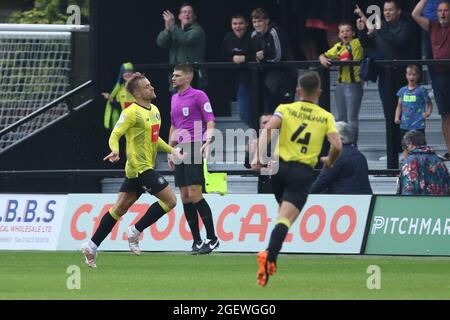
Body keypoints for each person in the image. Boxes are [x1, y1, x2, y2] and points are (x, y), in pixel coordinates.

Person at [81, 73, 184, 268]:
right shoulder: (131, 112)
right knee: (170, 200)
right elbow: (115, 134)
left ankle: (91, 246)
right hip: (140, 169)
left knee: (118, 209)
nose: (152, 88)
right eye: (147, 86)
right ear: (137, 93)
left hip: (140, 170)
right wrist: (115, 150)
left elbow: (155, 139)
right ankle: (135, 231)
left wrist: (172, 150)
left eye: (150, 84)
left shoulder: (154, 110)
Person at [255, 71, 342, 286]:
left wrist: (258, 156)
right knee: (285, 219)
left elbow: (268, 129)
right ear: (319, 92)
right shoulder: (325, 116)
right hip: (301, 173)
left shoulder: (285, 109)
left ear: (297, 91)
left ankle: (270, 252)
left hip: (279, 169)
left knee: (282, 215)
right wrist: (329, 160)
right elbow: (338, 145)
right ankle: (269, 256)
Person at [167, 64, 219, 255]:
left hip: (195, 144)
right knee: (185, 196)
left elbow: (210, 120)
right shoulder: (173, 99)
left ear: (188, 78)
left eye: (177, 75)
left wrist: (208, 141)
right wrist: (169, 149)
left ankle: (212, 238)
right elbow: (174, 125)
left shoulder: (199, 95)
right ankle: (196, 241)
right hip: (180, 148)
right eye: (173, 75)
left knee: (194, 192)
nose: (173, 78)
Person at [355, 1, 416, 157]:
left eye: (390, 10)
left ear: (398, 11)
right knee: (389, 115)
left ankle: (407, 150)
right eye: (385, 10)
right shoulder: (381, 27)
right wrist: (362, 31)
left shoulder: (406, 27)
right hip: (385, 77)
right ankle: (392, 152)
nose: (387, 13)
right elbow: (367, 44)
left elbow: (398, 43)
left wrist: (378, 30)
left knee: (405, 115)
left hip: (402, 78)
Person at [412, 0, 450, 161]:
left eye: (446, 11)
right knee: (446, 115)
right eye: (440, 11)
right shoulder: (432, 26)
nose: (442, 13)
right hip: (440, 75)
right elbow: (415, 14)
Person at [319, 22, 364, 143]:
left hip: (353, 84)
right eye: (342, 31)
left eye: (348, 31)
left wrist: (361, 29)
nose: (345, 33)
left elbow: (364, 39)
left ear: (353, 33)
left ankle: (353, 144)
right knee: (341, 117)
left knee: (352, 118)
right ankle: (342, 144)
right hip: (340, 85)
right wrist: (322, 58)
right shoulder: (338, 46)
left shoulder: (356, 43)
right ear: (339, 34)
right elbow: (324, 55)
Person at [250, 8, 297, 114]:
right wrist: (257, 58)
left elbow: (278, 57)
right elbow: (254, 55)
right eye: (254, 22)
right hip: (269, 78)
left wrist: (263, 59)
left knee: (286, 111)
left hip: (286, 76)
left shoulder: (274, 31)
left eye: (260, 21)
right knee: (271, 111)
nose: (257, 24)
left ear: (267, 21)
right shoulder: (253, 35)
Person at [310, 121, 372, 194]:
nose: (328, 140)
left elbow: (322, 180)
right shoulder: (360, 155)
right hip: (365, 199)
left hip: (343, 200)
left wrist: (304, 195)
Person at [156, 3, 207, 91]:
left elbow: (186, 39)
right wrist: (167, 29)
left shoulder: (197, 30)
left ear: (194, 16)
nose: (187, 14)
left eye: (190, 12)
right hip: (176, 80)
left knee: (193, 104)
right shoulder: (174, 30)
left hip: (193, 80)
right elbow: (161, 42)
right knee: (176, 104)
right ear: (179, 16)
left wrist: (172, 26)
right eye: (184, 12)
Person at [221, 13, 255, 128]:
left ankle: (260, 134)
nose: (237, 26)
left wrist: (245, 58)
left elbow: (261, 55)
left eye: (240, 23)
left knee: (247, 112)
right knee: (244, 113)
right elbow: (222, 57)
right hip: (234, 81)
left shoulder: (253, 36)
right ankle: (259, 135)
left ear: (247, 24)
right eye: (234, 24)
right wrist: (232, 59)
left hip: (254, 79)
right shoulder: (228, 38)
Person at [394, 65, 433, 160]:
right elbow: (399, 105)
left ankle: (421, 163)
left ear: (418, 76)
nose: (412, 77)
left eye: (414, 75)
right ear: (406, 76)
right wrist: (396, 117)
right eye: (409, 74)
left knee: (419, 146)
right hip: (405, 124)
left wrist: (427, 113)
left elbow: (429, 104)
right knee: (405, 146)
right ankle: (406, 166)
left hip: (418, 124)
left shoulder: (421, 90)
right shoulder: (402, 91)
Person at [397, 130, 450, 195]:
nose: (405, 150)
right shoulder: (438, 160)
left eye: (405, 146)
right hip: (440, 203)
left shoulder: (410, 161)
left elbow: (409, 189)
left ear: (410, 144)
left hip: (420, 203)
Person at [244, 113, 273, 194]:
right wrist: (249, 152)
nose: (267, 125)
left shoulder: (284, 143)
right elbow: (247, 165)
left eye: (270, 122)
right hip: (264, 187)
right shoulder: (254, 143)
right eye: (264, 122)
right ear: (260, 126)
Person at [102, 62, 135, 130]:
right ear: (122, 74)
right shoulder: (119, 89)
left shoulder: (140, 86)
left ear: (133, 74)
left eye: (130, 71)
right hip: (125, 123)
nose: (128, 73)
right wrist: (110, 98)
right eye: (125, 72)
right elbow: (119, 107)